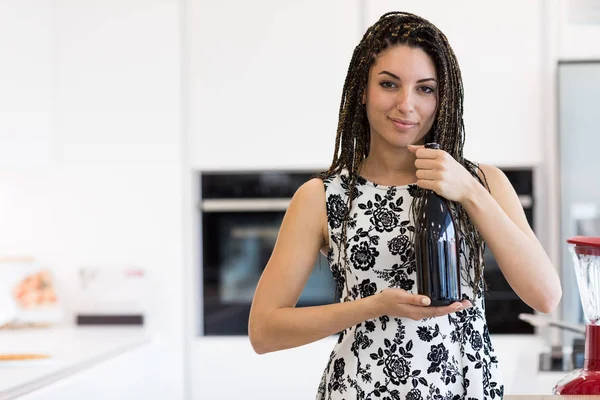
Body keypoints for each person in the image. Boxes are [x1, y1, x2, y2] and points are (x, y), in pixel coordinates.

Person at [248, 11, 562, 399]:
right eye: (389, 84)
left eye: (425, 89)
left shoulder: (483, 183)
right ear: (362, 90)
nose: (406, 104)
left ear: (442, 97)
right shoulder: (320, 198)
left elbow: (546, 296)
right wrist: (373, 306)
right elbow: (263, 331)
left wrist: (471, 193)